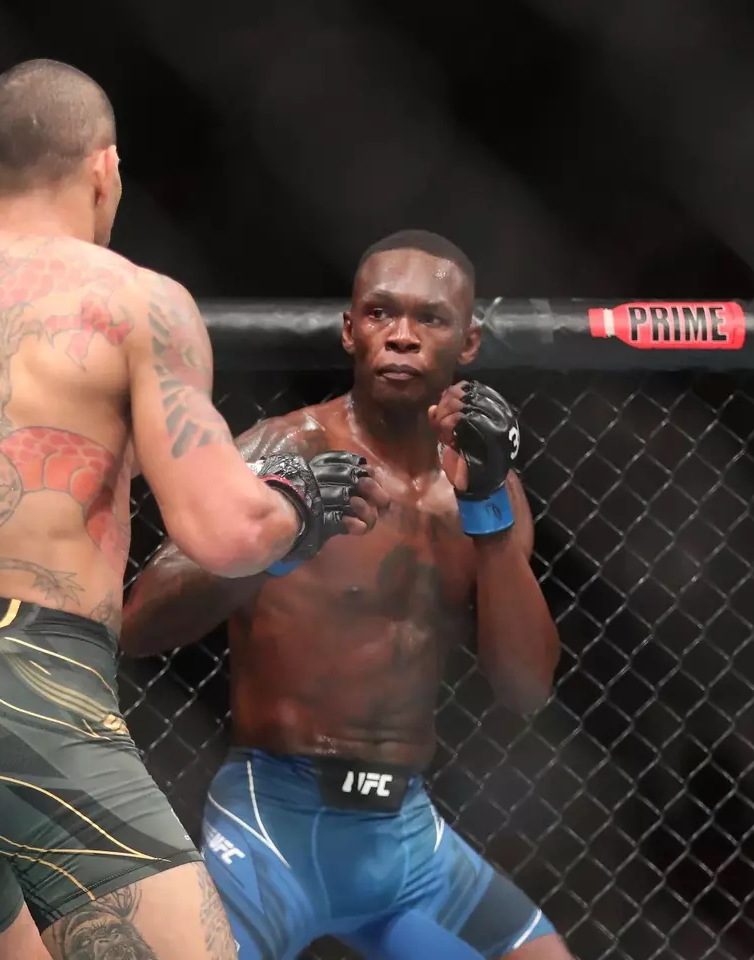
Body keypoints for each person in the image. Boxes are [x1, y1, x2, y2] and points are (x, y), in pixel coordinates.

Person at [0, 59, 388, 960]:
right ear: (106, 169)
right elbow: (225, 530)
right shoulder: (133, 301)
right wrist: (298, 503)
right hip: (32, 693)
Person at [120, 229, 570, 960]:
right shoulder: (282, 449)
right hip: (275, 824)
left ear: (469, 342)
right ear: (350, 329)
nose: (401, 337)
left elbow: (524, 690)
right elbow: (139, 623)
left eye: (429, 319)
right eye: (381, 314)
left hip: (406, 837)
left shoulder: (487, 484)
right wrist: (279, 537)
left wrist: (489, 515)